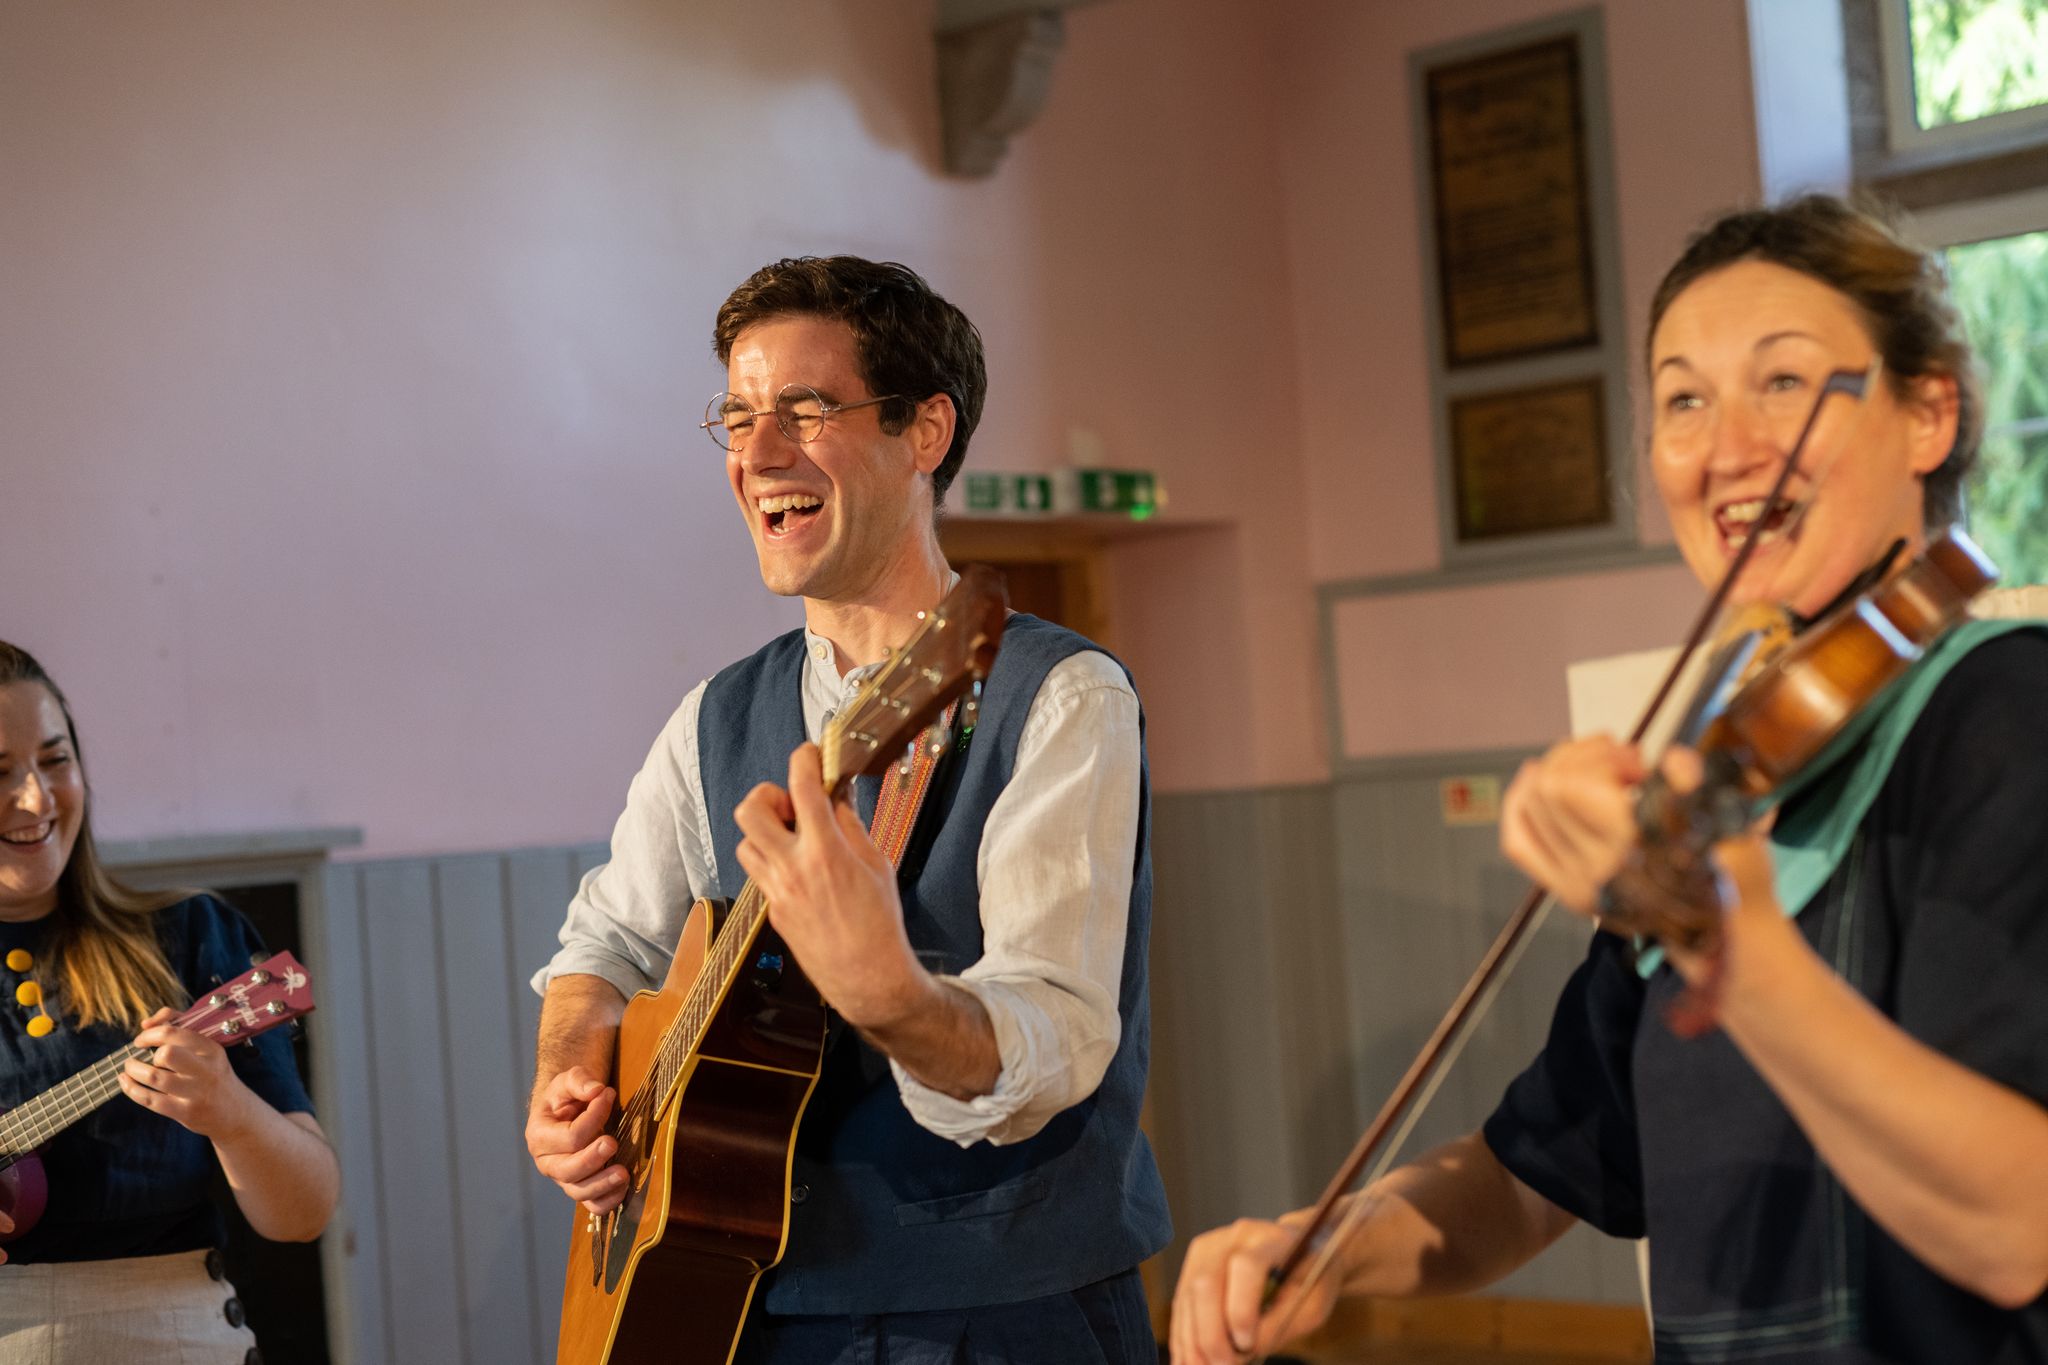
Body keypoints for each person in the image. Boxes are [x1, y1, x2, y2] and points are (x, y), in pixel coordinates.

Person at [1170, 196, 2048, 1365]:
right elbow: (1535, 1172)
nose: (1727, 446)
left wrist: (1724, 943)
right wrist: (1330, 1244)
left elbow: (2017, 1230)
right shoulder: (1722, 761)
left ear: (1927, 413)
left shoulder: (2003, 713)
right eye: (1682, 399)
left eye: (1784, 383)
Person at [526, 256, 1169, 1363]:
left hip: (998, 1314)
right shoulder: (714, 715)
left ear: (926, 431)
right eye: (738, 418)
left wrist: (894, 999)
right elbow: (605, 943)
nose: (758, 454)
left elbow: (1054, 1041)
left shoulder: (1055, 695)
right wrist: (569, 1076)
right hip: (746, 1307)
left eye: (807, 410)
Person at [0, 642, 339, 1364]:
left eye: (55, 760)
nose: (35, 798)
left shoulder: (190, 935)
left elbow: (305, 1212)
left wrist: (231, 1112)